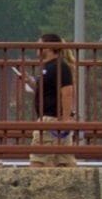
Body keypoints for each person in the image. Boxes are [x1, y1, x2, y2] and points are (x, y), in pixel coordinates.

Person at [28, 32, 76, 166]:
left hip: (53, 119)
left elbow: (67, 93)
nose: (36, 47)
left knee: (39, 161)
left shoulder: (60, 66)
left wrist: (65, 120)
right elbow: (46, 89)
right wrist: (29, 81)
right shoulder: (48, 67)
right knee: (63, 162)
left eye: (39, 44)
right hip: (49, 118)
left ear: (48, 47)